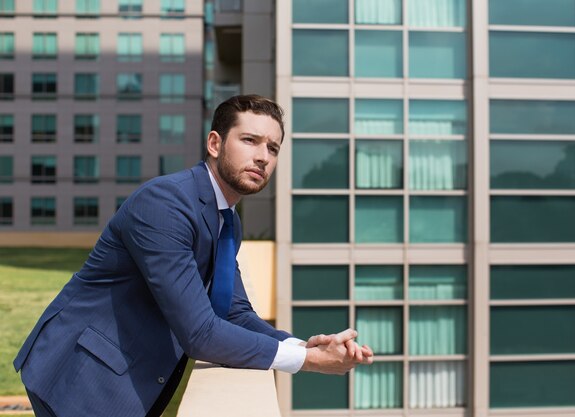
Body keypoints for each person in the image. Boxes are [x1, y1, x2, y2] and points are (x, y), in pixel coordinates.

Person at [14, 95, 374, 417]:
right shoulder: (166, 203)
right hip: (83, 375)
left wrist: (298, 343)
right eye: (249, 140)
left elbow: (233, 312)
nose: (262, 156)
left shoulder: (227, 220)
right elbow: (200, 333)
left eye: (273, 148)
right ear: (215, 143)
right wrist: (308, 362)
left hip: (128, 376)